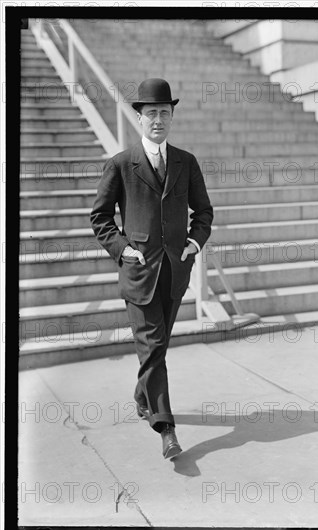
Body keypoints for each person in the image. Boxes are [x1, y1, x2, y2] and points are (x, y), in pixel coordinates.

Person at [90, 78, 213, 459]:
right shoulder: (121, 164)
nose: (157, 119)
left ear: (172, 117)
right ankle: (166, 429)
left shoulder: (186, 162)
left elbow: (204, 212)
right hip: (139, 274)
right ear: (139, 119)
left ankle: (142, 395)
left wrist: (193, 244)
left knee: (154, 351)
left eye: (164, 112)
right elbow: (100, 218)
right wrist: (123, 249)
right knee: (155, 346)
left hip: (175, 273)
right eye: (151, 113)